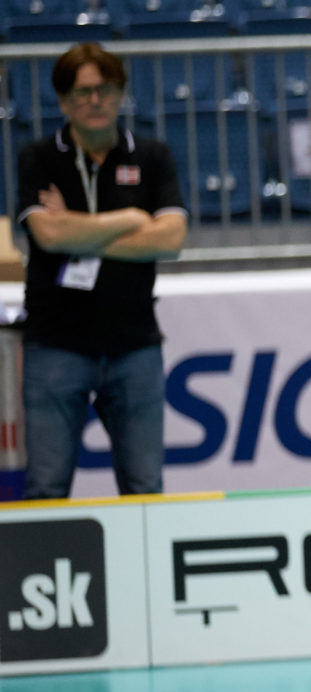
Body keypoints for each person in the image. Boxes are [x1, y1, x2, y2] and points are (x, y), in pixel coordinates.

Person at [17, 42, 187, 499]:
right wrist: (131, 220)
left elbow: (170, 240)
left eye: (104, 89)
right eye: (81, 92)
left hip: (134, 346)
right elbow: (48, 238)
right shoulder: (37, 157)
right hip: (55, 345)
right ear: (62, 101)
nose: (94, 100)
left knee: (145, 488)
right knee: (47, 489)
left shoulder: (152, 156)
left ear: (120, 94)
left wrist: (77, 226)